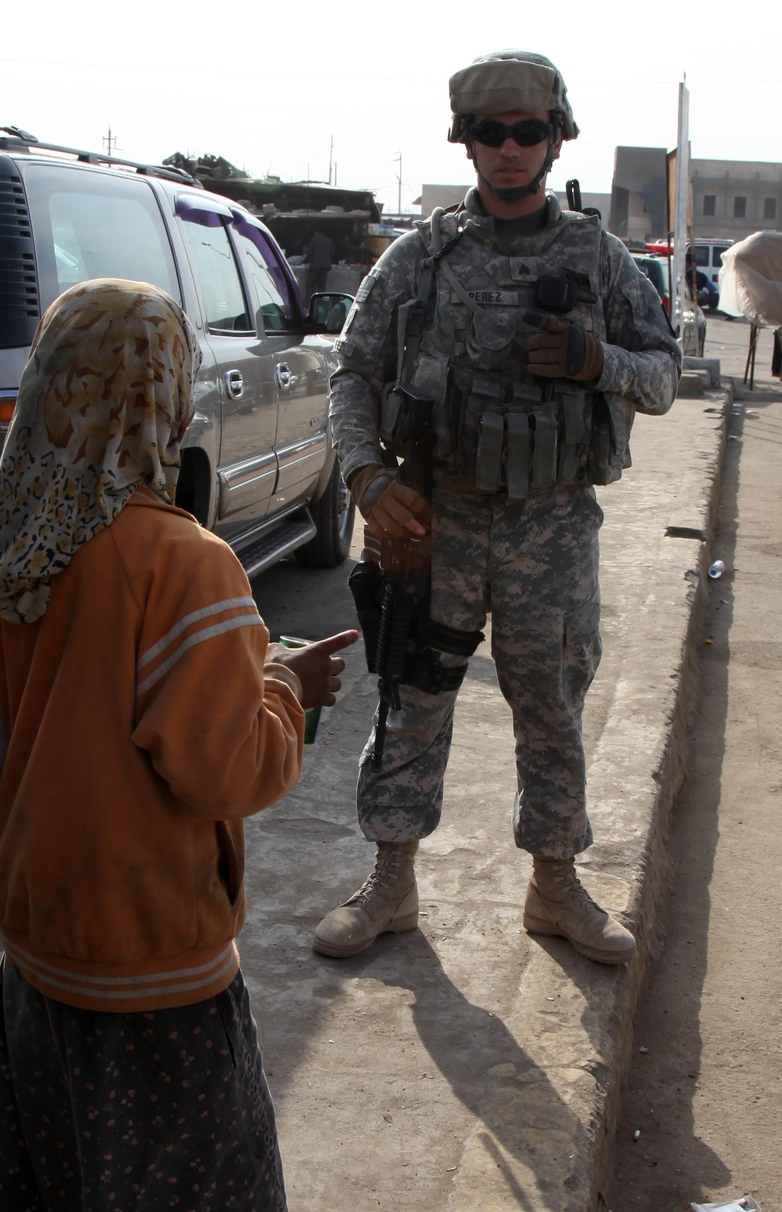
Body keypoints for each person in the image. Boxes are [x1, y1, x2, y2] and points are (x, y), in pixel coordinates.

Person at [0, 279, 357, 1212]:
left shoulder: (15, 542)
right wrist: (286, 691)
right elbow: (224, 768)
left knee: (63, 1190)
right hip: (151, 943)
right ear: (163, 396)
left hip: (39, 935)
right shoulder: (181, 561)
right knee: (195, 1187)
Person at [312, 50, 681, 967]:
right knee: (414, 696)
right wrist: (365, 477)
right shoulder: (420, 257)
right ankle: (391, 882)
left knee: (552, 702)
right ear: (465, 141)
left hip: (550, 525)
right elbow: (352, 372)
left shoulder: (599, 259)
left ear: (556, 140)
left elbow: (664, 376)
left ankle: (556, 888)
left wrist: (598, 363)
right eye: (489, 133)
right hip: (434, 520)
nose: (508, 148)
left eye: (527, 132)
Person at [304, 228, 334, 300]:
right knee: (322, 285)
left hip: (315, 265)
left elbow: (309, 253)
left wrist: (305, 260)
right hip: (325, 265)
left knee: (311, 284)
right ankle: (320, 300)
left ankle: (309, 301)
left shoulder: (313, 240)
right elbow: (332, 252)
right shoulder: (329, 240)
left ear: (316, 233)